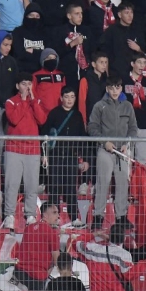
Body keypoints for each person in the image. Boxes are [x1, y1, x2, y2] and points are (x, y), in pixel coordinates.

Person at [87, 76, 137, 229]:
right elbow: (92, 127)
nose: (115, 91)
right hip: (105, 150)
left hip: (122, 151)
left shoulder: (128, 106)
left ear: (121, 88)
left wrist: (127, 144)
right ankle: (98, 216)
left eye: (117, 87)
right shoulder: (99, 106)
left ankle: (121, 217)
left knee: (122, 183)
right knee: (103, 182)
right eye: (111, 88)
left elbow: (133, 128)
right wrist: (105, 142)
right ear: (107, 89)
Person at [2, 73, 44, 230]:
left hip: (32, 149)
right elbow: (14, 119)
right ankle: (9, 215)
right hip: (14, 148)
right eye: (24, 84)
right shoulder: (11, 102)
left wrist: (32, 101)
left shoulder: (36, 101)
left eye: (29, 84)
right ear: (17, 86)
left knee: (32, 185)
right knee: (11, 184)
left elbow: (42, 120)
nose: (27, 87)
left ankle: (30, 214)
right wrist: (25, 101)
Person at [42, 85, 89, 214]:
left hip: (71, 155)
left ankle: (74, 217)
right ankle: (53, 217)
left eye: (72, 97)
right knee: (54, 187)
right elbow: (45, 134)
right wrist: (44, 155)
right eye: (67, 97)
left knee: (71, 188)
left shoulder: (77, 115)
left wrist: (85, 159)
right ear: (61, 98)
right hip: (55, 155)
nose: (69, 100)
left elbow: (83, 138)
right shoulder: (54, 113)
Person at [75, 225, 146, 291]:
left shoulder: (93, 249)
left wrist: (96, 234)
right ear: (124, 238)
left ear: (109, 236)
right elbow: (129, 275)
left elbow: (75, 242)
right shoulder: (124, 255)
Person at [14, 203, 62, 291]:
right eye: (54, 212)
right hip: (36, 276)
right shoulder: (52, 233)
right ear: (45, 215)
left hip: (19, 272)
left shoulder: (28, 228)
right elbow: (57, 261)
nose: (58, 216)